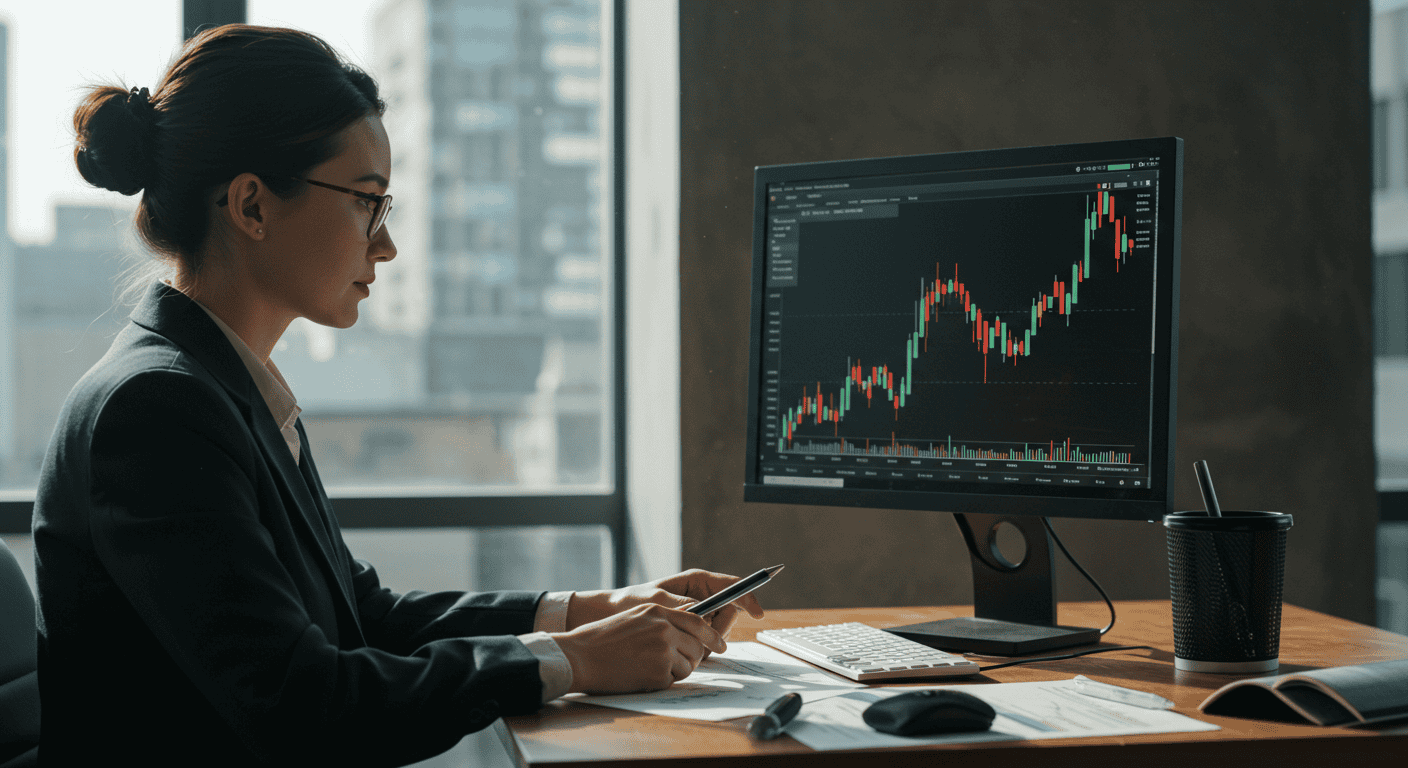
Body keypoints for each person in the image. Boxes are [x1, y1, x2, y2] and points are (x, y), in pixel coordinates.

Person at [31, 24, 762, 767]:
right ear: (252, 206)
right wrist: (572, 661)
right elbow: (302, 704)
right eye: (366, 201)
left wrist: (593, 612)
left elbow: (364, 616)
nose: (386, 244)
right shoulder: (155, 412)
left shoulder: (219, 388)